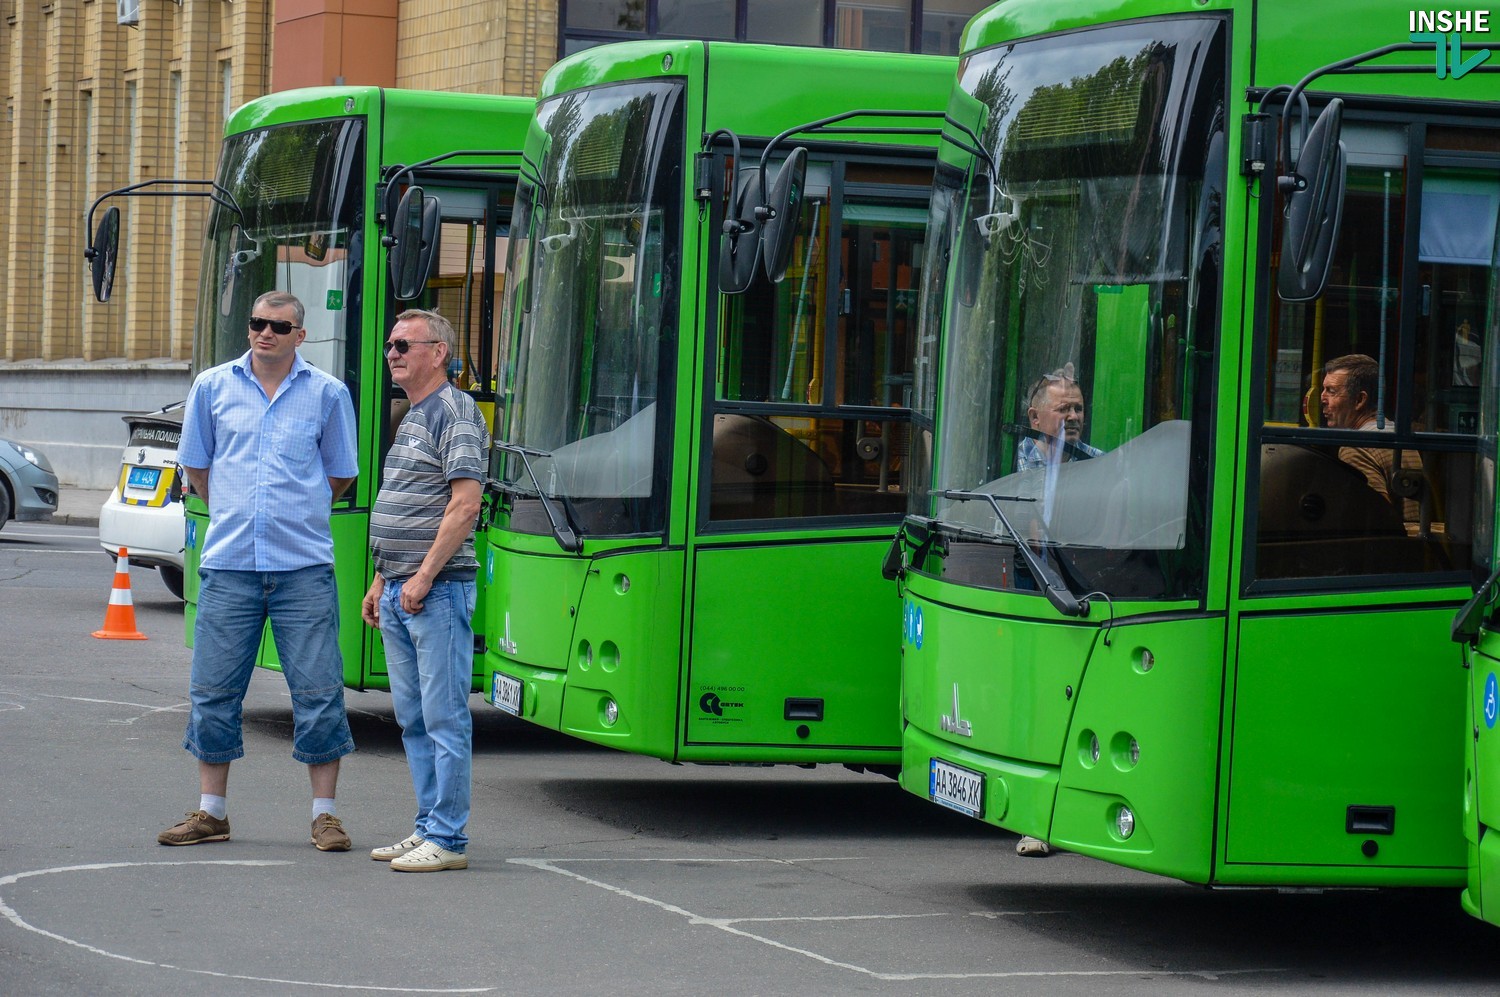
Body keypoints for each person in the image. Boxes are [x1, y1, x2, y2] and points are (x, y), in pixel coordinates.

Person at [159, 290, 359, 852]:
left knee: (319, 692)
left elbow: (341, 474)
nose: (264, 333)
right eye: (256, 323)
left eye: (278, 326)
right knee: (214, 691)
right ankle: (211, 812)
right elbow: (196, 467)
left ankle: (325, 816)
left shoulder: (327, 394)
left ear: (301, 335)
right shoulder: (212, 387)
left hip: (303, 568)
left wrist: (301, 506)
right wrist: (234, 509)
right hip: (230, 566)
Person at [362, 309, 487, 873]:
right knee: (414, 718)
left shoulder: (456, 414)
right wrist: (382, 580)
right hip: (402, 590)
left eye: (403, 344)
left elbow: (465, 506)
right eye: (390, 345)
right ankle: (427, 826)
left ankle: (449, 839)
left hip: (435, 592)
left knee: (443, 717)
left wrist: (421, 578)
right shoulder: (413, 416)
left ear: (438, 352)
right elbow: (405, 503)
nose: (392, 353)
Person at [1318, 353, 1422, 522]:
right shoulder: (1395, 433)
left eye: (1331, 391)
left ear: (1360, 399)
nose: (1322, 398)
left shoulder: (1357, 448)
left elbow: (1374, 515)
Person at [1016, 363, 1103, 471]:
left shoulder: (1098, 463)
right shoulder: (1012, 464)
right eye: (1063, 409)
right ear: (1035, 417)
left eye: (1078, 409)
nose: (1074, 416)